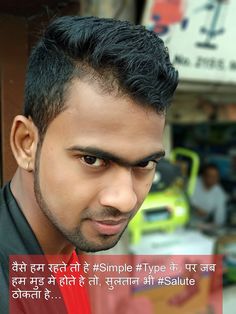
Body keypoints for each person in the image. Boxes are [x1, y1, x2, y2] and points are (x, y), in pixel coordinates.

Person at [0, 16, 178, 313]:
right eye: (92, 160)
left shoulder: (74, 248)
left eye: (145, 163)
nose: (125, 199)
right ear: (26, 144)